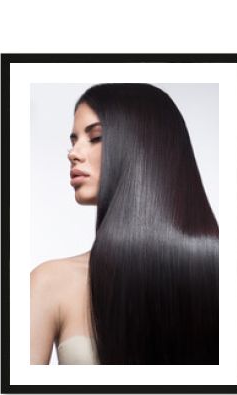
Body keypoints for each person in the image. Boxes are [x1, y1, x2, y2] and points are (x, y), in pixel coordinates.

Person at [30, 83, 219, 365]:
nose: (73, 153)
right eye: (73, 140)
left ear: (142, 144)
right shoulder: (51, 283)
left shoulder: (223, 273)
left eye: (95, 137)